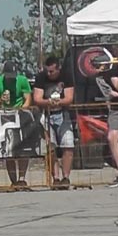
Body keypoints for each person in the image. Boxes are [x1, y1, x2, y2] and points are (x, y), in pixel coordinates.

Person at [33, 56, 75, 188]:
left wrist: (59, 102)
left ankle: (66, 177)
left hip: (63, 114)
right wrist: (49, 102)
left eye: (51, 71)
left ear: (58, 68)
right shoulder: (41, 77)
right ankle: (55, 178)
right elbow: (37, 98)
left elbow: (69, 98)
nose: (49, 74)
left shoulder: (66, 76)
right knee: (50, 148)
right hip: (47, 115)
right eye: (47, 71)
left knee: (68, 145)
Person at [0, 61, 33, 186]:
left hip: (20, 114)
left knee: (23, 148)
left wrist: (23, 110)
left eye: (13, 75)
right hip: (4, 116)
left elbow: (27, 98)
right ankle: (13, 181)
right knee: (8, 149)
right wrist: (0, 99)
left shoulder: (22, 80)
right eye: (9, 76)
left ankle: (22, 178)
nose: (11, 78)